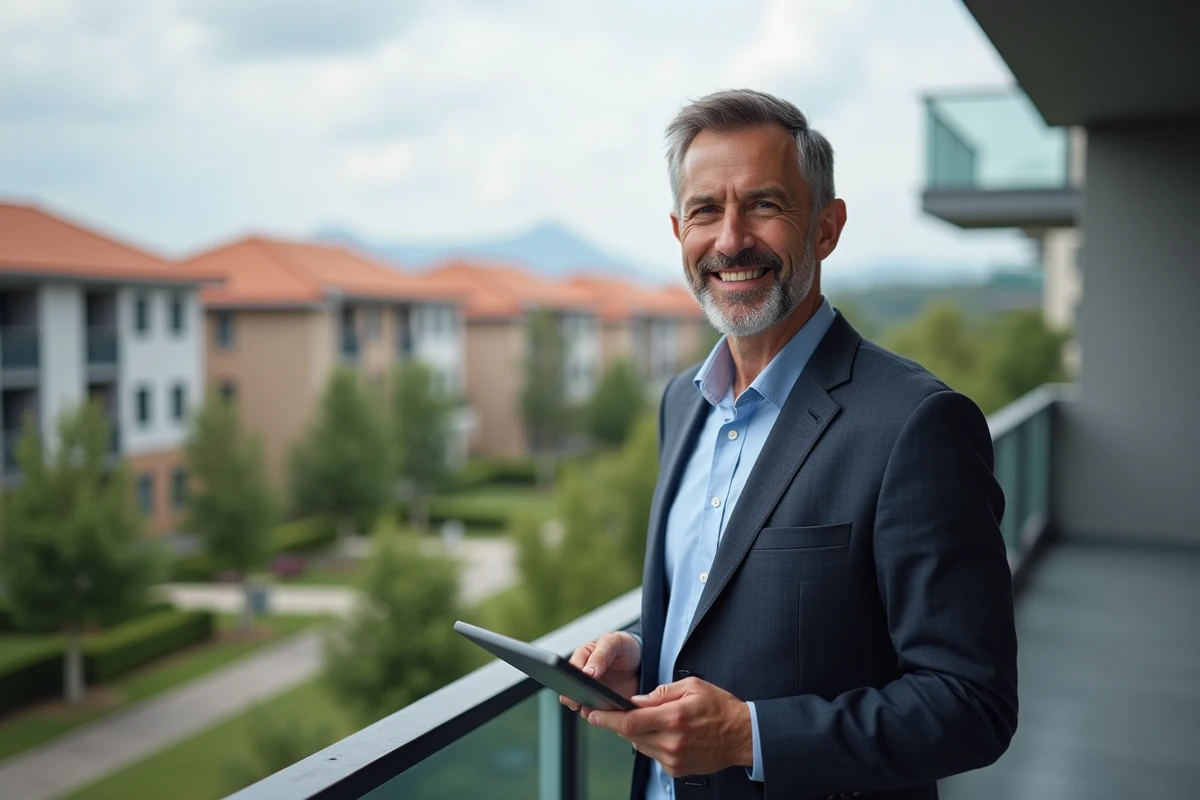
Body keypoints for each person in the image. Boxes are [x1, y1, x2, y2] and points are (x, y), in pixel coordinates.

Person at [560, 89, 1018, 800]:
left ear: (826, 228)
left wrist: (747, 735)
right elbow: (756, 626)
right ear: (679, 229)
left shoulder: (916, 424)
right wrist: (649, 664)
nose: (731, 239)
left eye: (765, 205)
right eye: (706, 210)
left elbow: (971, 705)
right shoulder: (683, 403)